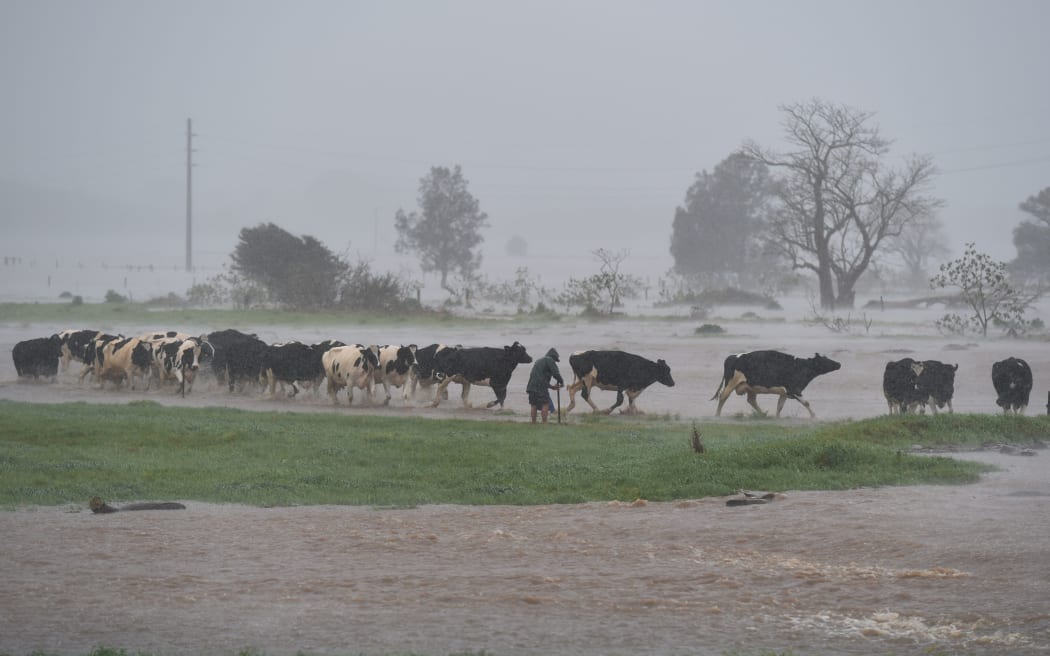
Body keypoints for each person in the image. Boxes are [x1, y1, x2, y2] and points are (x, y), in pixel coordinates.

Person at [526, 347, 564, 424]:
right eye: (555, 360)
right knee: (545, 403)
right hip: (541, 387)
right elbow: (556, 373)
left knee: (534, 404)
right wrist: (561, 382)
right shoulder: (550, 360)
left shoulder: (538, 361)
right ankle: (544, 423)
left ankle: (533, 423)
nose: (555, 362)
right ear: (553, 357)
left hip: (531, 386)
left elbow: (539, 377)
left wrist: (551, 387)